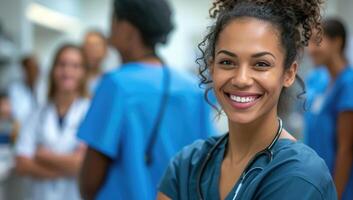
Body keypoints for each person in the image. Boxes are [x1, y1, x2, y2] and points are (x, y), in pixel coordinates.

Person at [157, 0, 337, 199]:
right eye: (227, 62)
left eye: (261, 64)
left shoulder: (301, 175)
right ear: (212, 67)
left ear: (288, 73)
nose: (241, 79)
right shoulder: (187, 165)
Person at [78, 0, 216, 199]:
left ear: (126, 30)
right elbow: (207, 164)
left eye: (113, 21)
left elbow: (90, 180)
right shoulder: (193, 89)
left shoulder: (116, 85)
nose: (109, 31)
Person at [14, 44, 90, 200]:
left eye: (75, 66)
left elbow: (85, 165)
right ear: (53, 70)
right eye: (62, 64)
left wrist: (43, 157)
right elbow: (22, 164)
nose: (67, 71)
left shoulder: (91, 113)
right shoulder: (35, 115)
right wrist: (66, 168)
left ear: (83, 73)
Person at [306, 18, 353, 200]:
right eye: (309, 42)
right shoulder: (318, 80)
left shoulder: (348, 84)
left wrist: (335, 195)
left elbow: (346, 149)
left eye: (317, 41)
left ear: (337, 42)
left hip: (337, 186)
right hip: (316, 181)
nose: (310, 49)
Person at [8, 55, 41, 125]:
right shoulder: (14, 89)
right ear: (24, 70)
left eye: (35, 68)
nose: (33, 72)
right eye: (29, 69)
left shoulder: (44, 88)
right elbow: (17, 115)